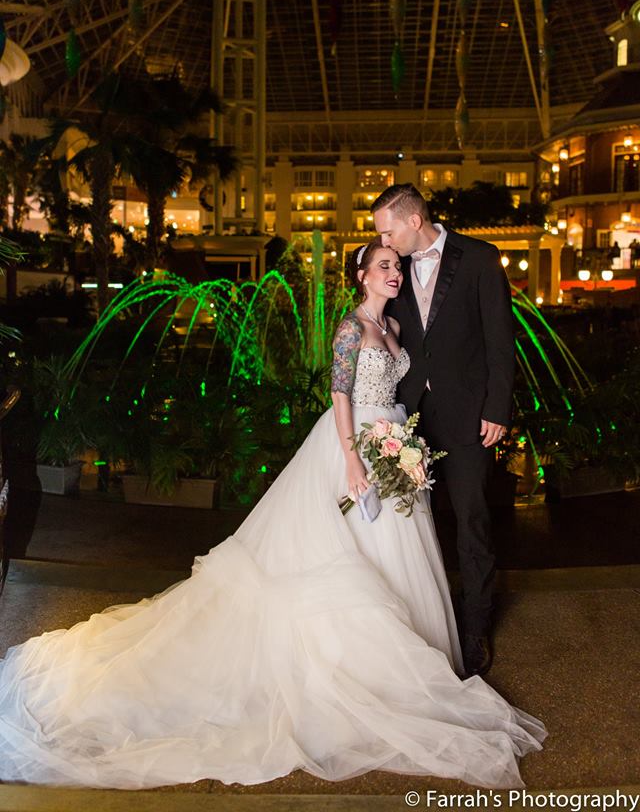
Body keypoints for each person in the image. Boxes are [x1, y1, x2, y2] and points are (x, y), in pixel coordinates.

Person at [0, 238, 545, 790]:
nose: (394, 274)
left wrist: (405, 445)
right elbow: (340, 395)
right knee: (345, 551)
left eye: (396, 267)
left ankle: (400, 657)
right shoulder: (351, 328)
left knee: (393, 551)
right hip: (352, 445)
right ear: (360, 275)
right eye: (383, 266)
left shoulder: (397, 327)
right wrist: (353, 460)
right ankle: (353, 662)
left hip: (393, 439)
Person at [372, 184, 514, 678]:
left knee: (472, 519)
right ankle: (426, 625)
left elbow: (500, 339)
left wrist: (497, 407)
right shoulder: (394, 266)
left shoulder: (479, 258)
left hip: (470, 415)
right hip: (408, 417)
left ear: (414, 220)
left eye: (387, 231)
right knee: (412, 523)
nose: (384, 241)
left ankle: (475, 629)